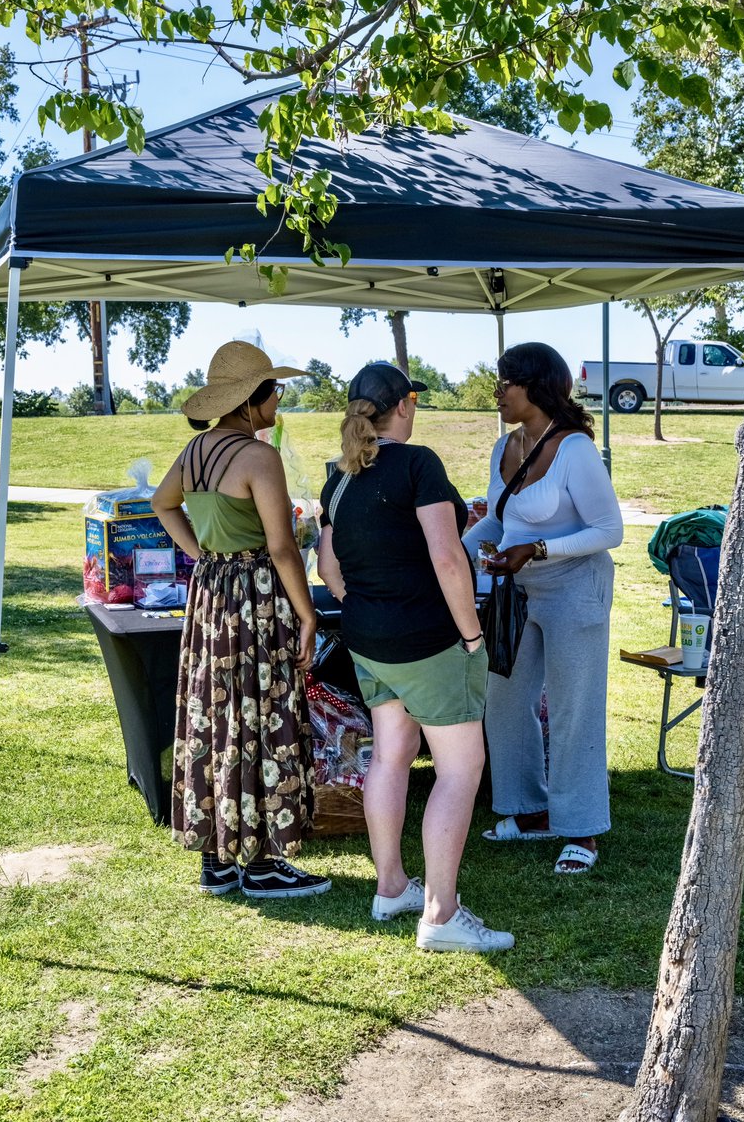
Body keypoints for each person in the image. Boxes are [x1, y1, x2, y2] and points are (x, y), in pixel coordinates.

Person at [318, 361, 514, 953]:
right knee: (459, 770)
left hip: (369, 641)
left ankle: (392, 888)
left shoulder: (339, 479)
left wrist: (369, 605)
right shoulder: (418, 463)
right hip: (426, 641)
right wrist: (472, 636)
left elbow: (328, 569)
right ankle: (440, 914)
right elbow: (448, 558)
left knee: (391, 756)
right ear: (404, 405)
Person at [152, 340, 331, 900]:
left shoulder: (195, 451)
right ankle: (262, 864)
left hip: (211, 597)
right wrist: (308, 614)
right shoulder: (258, 457)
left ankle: (218, 859)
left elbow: (162, 503)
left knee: (215, 714)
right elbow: (281, 547)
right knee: (262, 712)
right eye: (275, 392)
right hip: (256, 596)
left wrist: (203, 554)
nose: (279, 402)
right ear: (251, 401)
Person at [464, 342, 623, 874]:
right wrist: (455, 550)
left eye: (505, 382)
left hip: (576, 586)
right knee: (505, 698)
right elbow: (500, 519)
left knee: (575, 707)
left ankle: (581, 829)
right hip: (518, 589)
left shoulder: (575, 449)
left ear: (536, 386)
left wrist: (537, 549)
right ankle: (529, 810)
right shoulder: (505, 445)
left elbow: (609, 531)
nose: (497, 392)